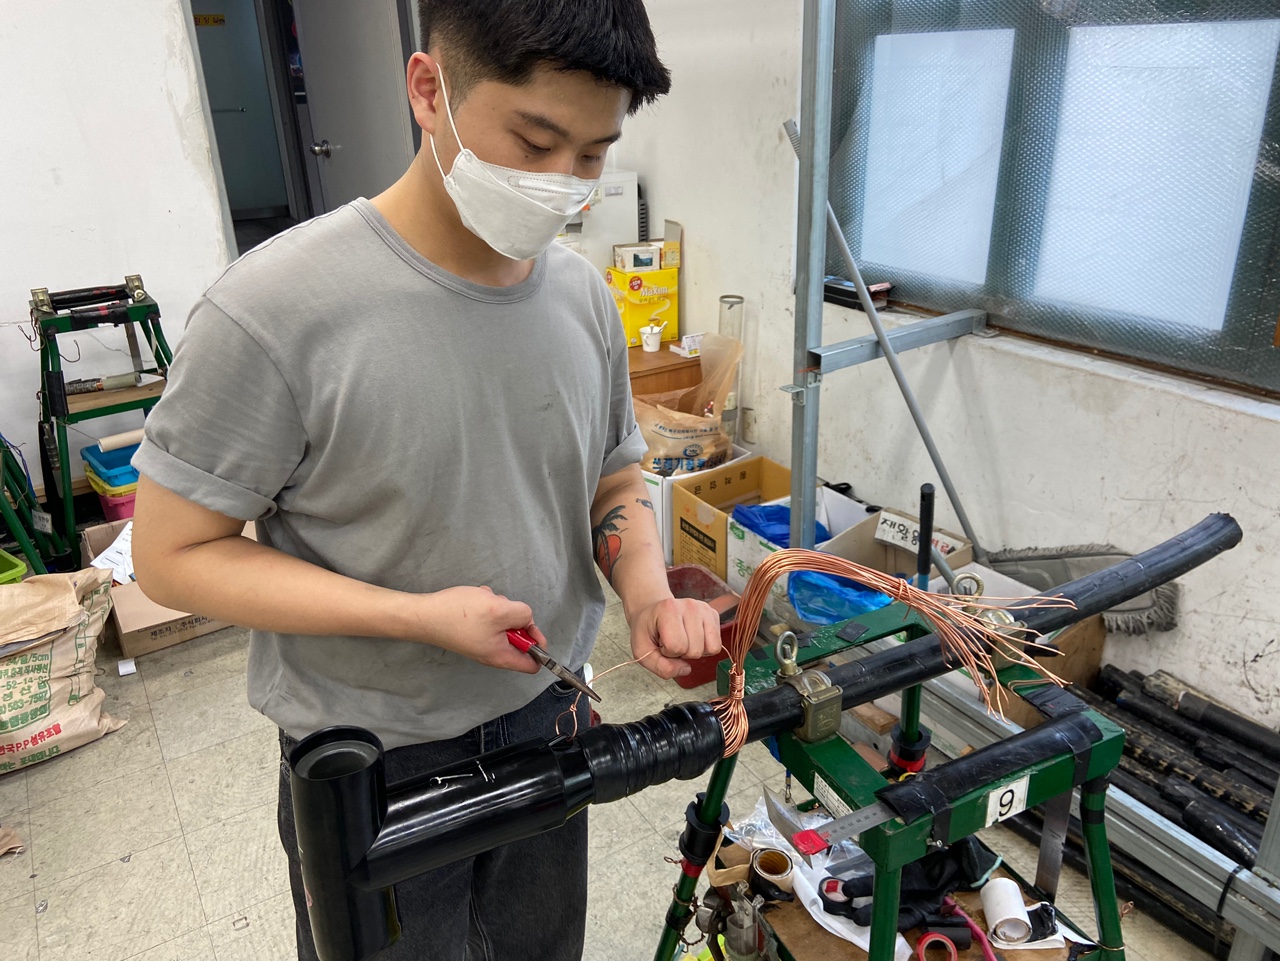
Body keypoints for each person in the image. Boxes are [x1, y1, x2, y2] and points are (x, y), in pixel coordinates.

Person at [130, 2, 721, 958]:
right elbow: (171, 556)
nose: (563, 183)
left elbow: (613, 483)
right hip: (372, 760)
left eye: (593, 154)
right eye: (535, 141)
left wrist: (647, 593)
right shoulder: (274, 311)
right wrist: (414, 617)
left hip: (550, 721)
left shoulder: (580, 297)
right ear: (427, 90)